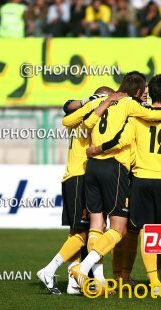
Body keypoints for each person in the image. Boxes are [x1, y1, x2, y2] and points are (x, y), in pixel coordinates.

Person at [70, 72, 161, 295]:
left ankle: (153, 284)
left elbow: (121, 140)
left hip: (139, 178)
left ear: (149, 94)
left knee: (143, 231)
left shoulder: (136, 118)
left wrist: (98, 149)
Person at [37, 87, 114, 295]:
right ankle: (49, 269)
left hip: (73, 177)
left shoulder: (81, 114)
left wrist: (86, 102)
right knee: (87, 231)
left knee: (80, 231)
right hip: (81, 176)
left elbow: (67, 107)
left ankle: (74, 283)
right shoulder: (93, 114)